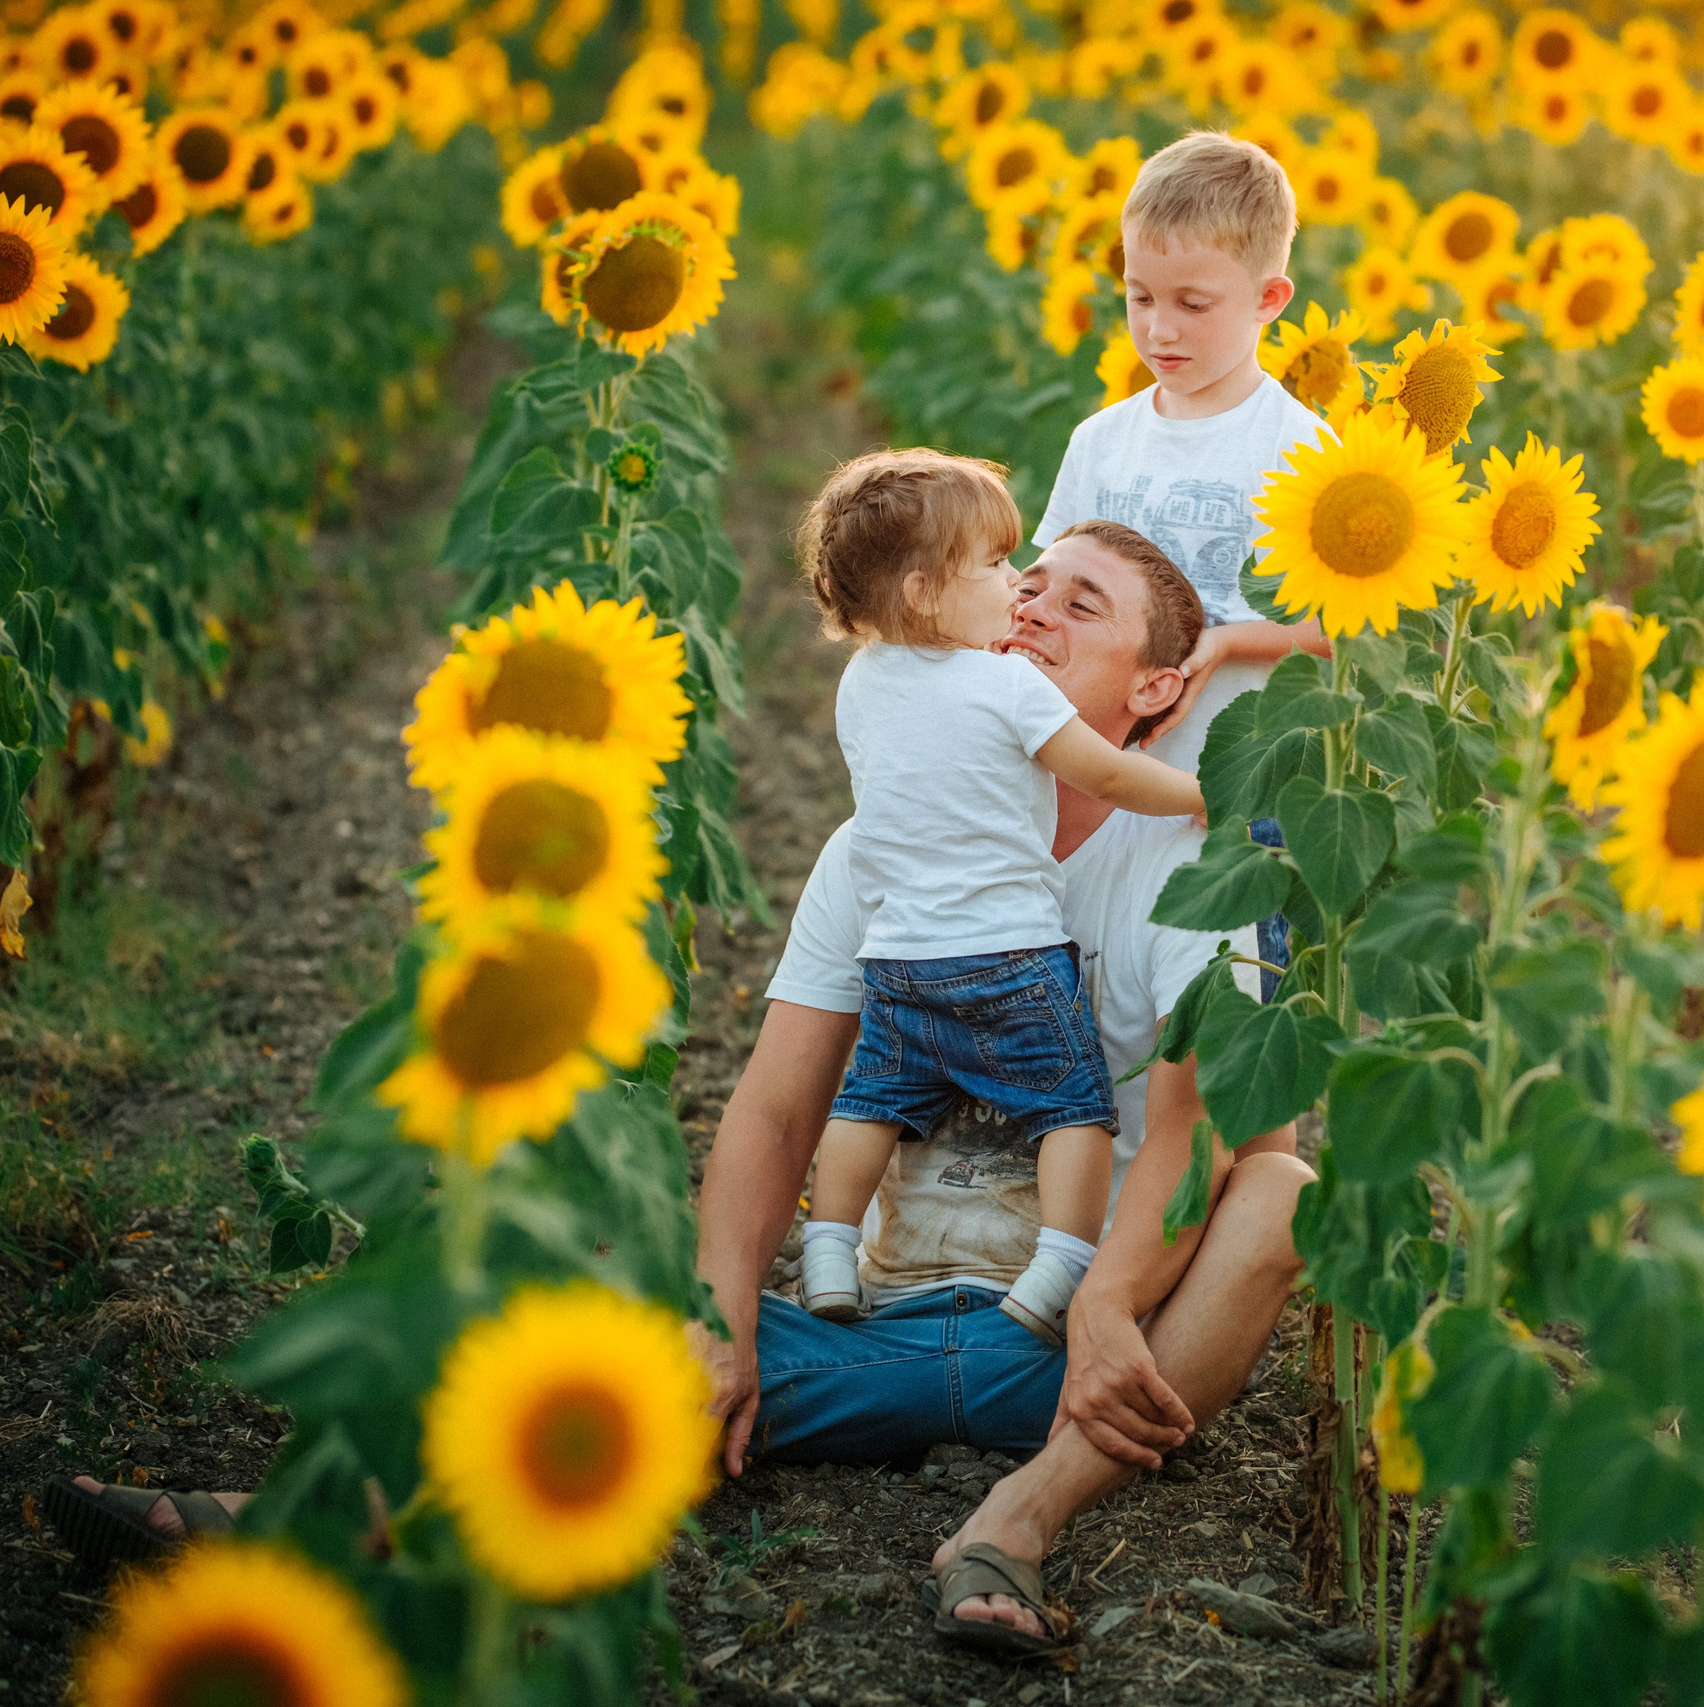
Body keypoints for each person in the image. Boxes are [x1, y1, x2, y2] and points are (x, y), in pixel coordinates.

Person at [689, 520, 1316, 1652]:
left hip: (1077, 1351)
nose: (1032, 610)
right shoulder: (876, 843)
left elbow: (1192, 1129)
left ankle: (1022, 1515)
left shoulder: (1202, 859)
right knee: (588, 1309)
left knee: (1282, 1189)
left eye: (1082, 607)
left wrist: (1111, 1307)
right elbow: (778, 1106)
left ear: (1159, 689)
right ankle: (350, 1524)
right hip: (871, 1321)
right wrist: (725, 1324)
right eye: (1025, 588)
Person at [788, 449, 1205, 1347]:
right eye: (1004, 570)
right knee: (1072, 1109)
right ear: (925, 593)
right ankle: (1062, 1266)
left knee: (870, 1101)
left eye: (1076, 601)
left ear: (1155, 684)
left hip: (898, 960)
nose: (1019, 595)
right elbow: (1104, 771)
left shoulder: (862, 683)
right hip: (1005, 958)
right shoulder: (1004, 682)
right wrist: (1213, 791)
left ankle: (825, 1247)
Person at [1032, 129, 1335, 770]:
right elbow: (1048, 595)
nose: (1158, 328)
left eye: (1192, 304)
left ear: (1269, 299)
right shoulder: (1100, 441)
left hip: (1232, 765)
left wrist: (1225, 643)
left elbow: (1341, 629)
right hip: (1099, 766)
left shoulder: (1300, 448)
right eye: (1139, 296)